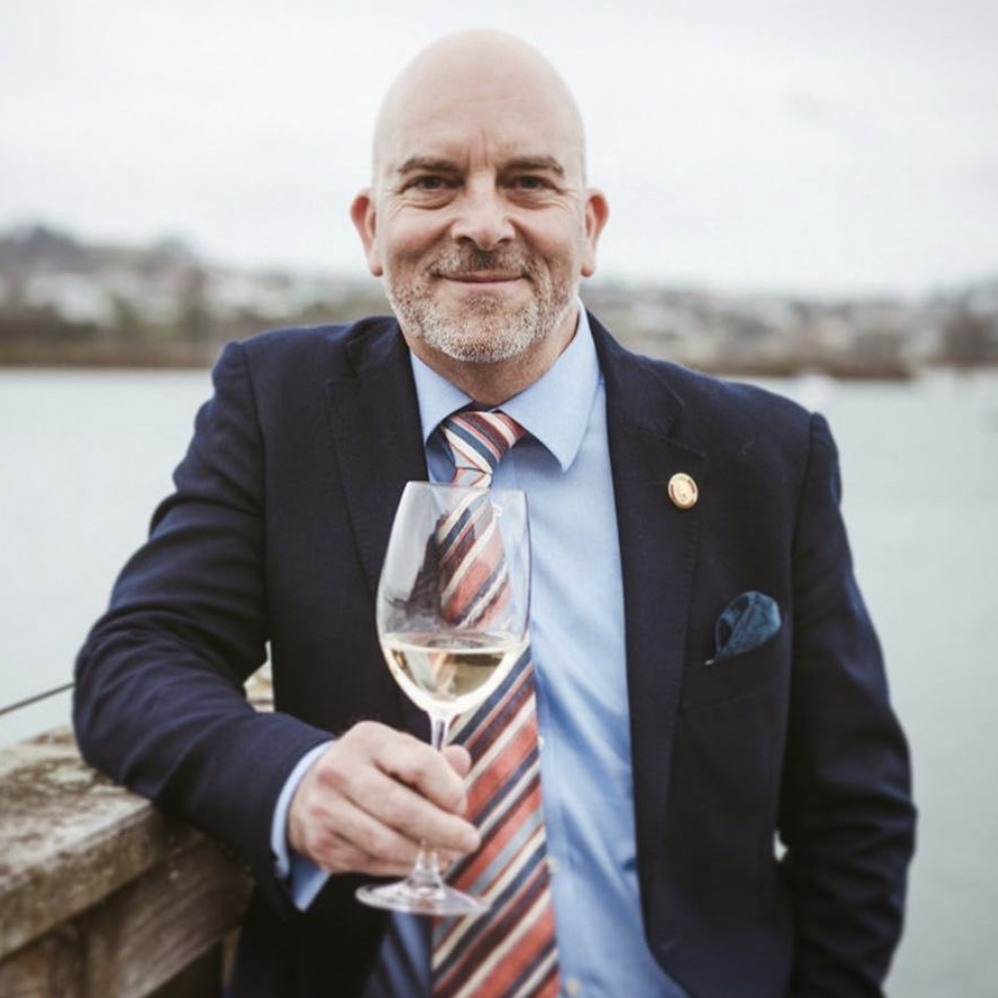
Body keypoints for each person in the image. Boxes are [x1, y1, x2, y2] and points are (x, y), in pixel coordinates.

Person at [73, 28, 916, 998]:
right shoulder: (277, 404)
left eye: (526, 182)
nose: (481, 222)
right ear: (368, 225)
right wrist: (292, 783)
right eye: (432, 181)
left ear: (589, 224)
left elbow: (853, 812)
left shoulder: (764, 456)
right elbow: (136, 656)